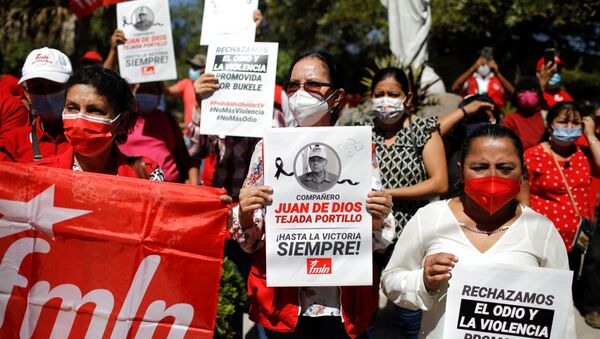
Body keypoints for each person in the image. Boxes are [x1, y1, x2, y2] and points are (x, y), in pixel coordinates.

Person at [225, 51, 394, 338]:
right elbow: (249, 243)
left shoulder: (359, 152)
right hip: (284, 304)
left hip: (341, 307)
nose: (301, 93)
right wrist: (244, 214)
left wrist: (377, 220)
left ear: (337, 97)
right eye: (294, 85)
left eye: (313, 85)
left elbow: (380, 240)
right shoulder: (267, 151)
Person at [381, 124, 575, 338]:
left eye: (505, 168)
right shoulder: (429, 217)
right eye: (480, 167)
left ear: (522, 174)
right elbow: (391, 281)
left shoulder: (541, 230)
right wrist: (424, 282)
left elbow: (561, 314)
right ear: (461, 170)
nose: (492, 177)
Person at [354, 66, 448, 338]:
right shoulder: (361, 132)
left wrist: (390, 194)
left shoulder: (423, 129)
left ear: (407, 97)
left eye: (392, 94)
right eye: (379, 94)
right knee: (362, 311)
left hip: (409, 237)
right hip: (367, 235)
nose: (385, 100)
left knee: (411, 311)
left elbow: (439, 182)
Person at [520, 102, 600, 327]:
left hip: (577, 237)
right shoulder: (532, 155)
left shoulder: (584, 153)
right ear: (550, 125)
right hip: (546, 236)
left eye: (575, 122)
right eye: (563, 122)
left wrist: (590, 134)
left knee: (569, 281)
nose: (570, 127)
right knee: (543, 286)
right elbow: (522, 194)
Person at [36, 65, 164, 180]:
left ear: (122, 122)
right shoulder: (39, 176)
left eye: (95, 110)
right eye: (72, 108)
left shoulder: (147, 175)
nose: (80, 119)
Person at [0, 47, 72, 162]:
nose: (47, 94)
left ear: (71, 88)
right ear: (26, 93)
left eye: (54, 86)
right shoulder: (12, 143)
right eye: (37, 88)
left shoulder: (89, 142)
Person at [119, 81, 190, 183]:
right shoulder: (124, 119)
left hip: (169, 187)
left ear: (159, 95)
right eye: (142, 90)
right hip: (131, 186)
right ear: (133, 91)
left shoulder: (168, 118)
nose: (147, 94)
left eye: (151, 91)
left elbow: (181, 153)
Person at [438, 94, 498, 188]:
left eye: (483, 117)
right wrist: (464, 111)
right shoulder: (453, 146)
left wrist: (493, 122)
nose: (478, 123)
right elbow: (429, 133)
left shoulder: (506, 145)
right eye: (472, 118)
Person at [501, 76, 546, 150]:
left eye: (532, 90)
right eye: (522, 91)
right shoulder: (510, 119)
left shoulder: (545, 117)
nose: (527, 94)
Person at [165, 54, 206, 133]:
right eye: (191, 66)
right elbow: (167, 91)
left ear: (204, 69)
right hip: (189, 135)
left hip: (207, 136)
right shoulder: (186, 83)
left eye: (195, 67)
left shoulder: (211, 86)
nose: (191, 69)